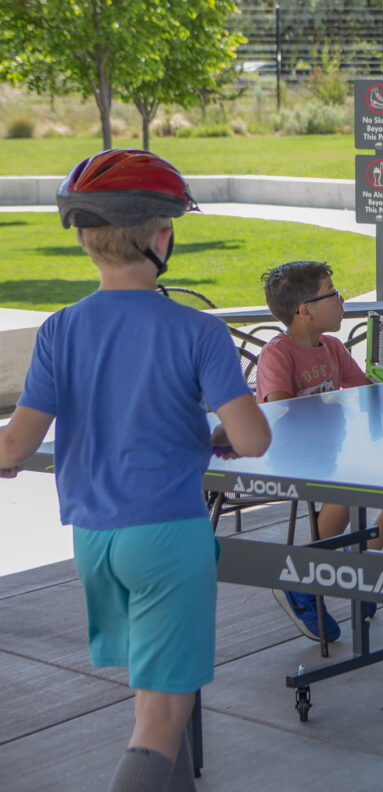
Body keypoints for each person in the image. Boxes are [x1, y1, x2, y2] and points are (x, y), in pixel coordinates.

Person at [0, 149, 271, 792]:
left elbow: (15, 445)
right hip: (167, 536)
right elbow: (253, 439)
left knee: (151, 703)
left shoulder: (59, 329)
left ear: (87, 243)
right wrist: (216, 433)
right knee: (159, 719)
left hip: (96, 541)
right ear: (162, 238)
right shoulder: (199, 333)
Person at [256, 260, 383, 641]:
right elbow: (282, 412)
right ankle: (302, 581)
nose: (342, 300)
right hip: (291, 457)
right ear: (305, 310)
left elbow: (363, 395)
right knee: (349, 490)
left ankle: (356, 566)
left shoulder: (333, 348)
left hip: (336, 454)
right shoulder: (279, 354)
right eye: (333, 292)